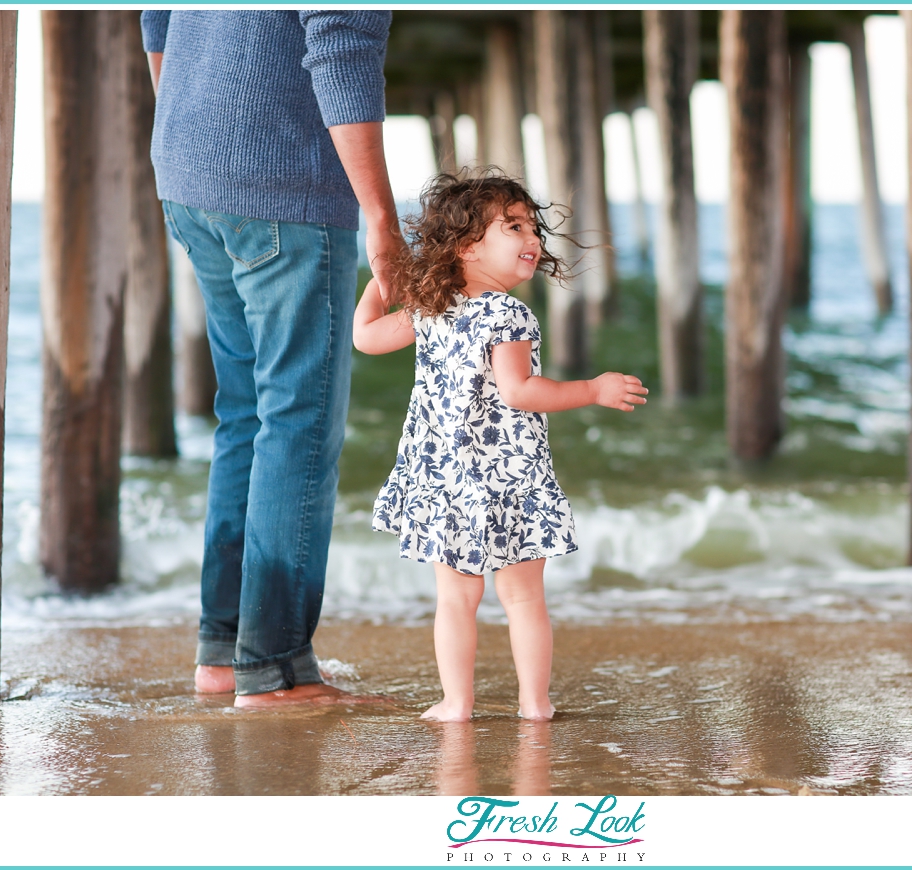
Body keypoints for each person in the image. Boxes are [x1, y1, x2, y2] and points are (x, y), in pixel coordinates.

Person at [140, 10, 403, 707]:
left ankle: (225, 655)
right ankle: (276, 669)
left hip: (188, 176)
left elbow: (156, 17)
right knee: (298, 422)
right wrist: (381, 217)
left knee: (246, 416)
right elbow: (341, 46)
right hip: (284, 188)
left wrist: (185, 140)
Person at [353, 173, 649, 721]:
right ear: (466, 245)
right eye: (513, 227)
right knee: (523, 599)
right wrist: (592, 389)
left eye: (533, 227)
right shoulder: (508, 313)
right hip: (509, 477)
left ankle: (456, 703)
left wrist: (385, 275)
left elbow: (364, 336)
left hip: (445, 477)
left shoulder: (430, 309)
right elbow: (519, 392)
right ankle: (534, 704)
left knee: (455, 601)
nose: (531, 238)